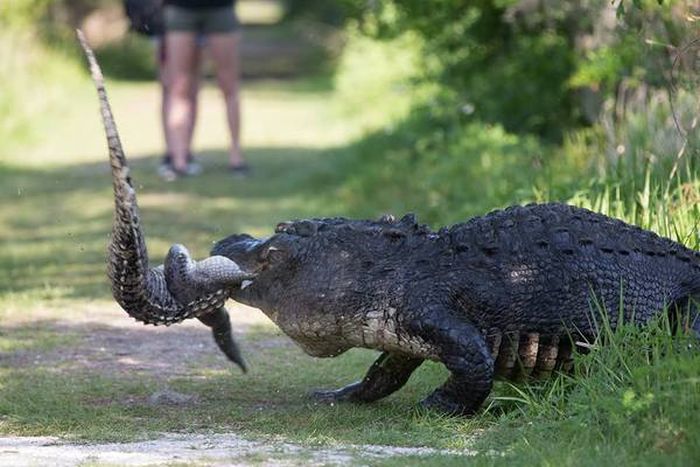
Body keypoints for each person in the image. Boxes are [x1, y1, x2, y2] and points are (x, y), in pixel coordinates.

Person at [161, 0, 248, 180]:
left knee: (229, 85)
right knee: (179, 87)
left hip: (220, 9)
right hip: (180, 9)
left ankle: (236, 157)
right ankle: (179, 160)